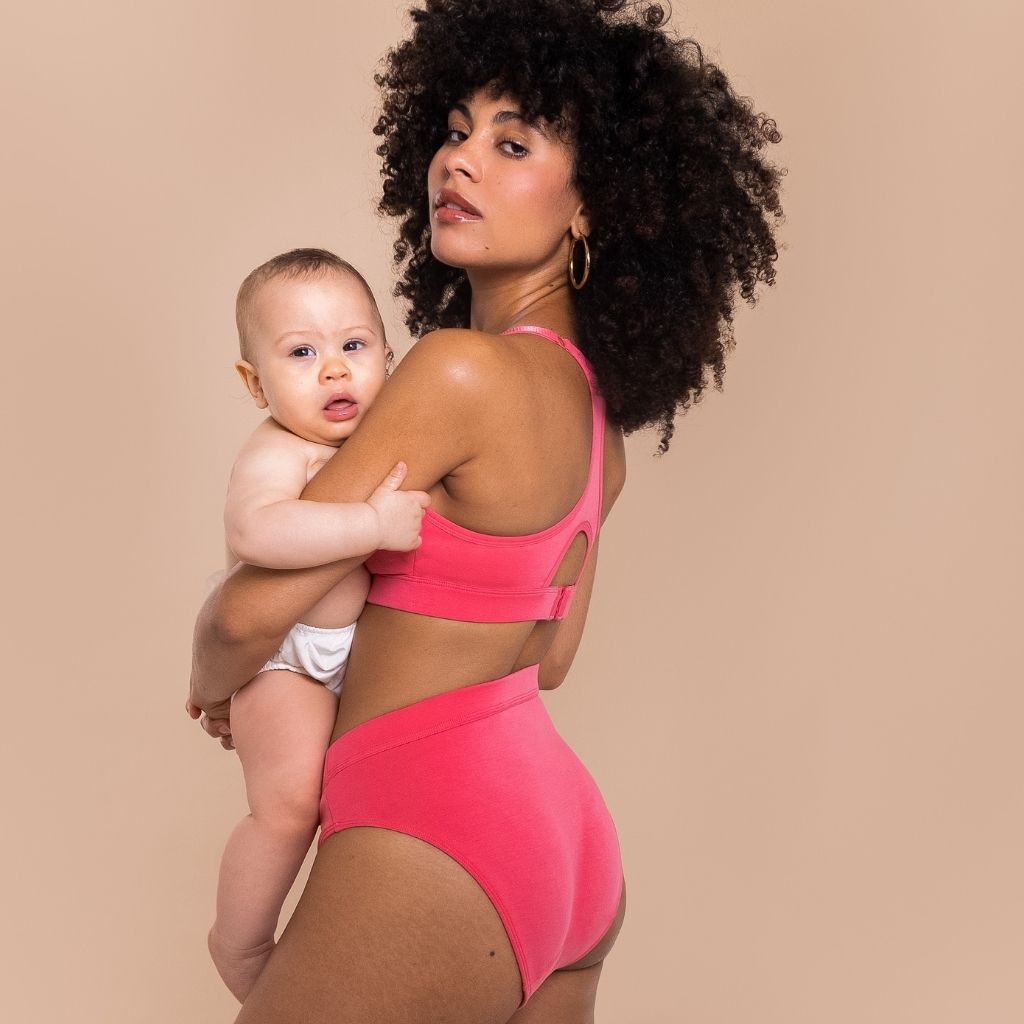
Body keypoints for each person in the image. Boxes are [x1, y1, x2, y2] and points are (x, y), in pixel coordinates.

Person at [188, 1, 785, 1019]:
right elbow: (548, 659)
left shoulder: (456, 371)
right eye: (454, 130)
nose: (458, 161)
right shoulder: (602, 433)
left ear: (593, 206)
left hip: (430, 819)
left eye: (511, 143)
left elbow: (251, 613)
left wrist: (209, 680)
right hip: (567, 844)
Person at [188, 249, 431, 1001]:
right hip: (286, 661)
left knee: (368, 813)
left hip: (359, 656)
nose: (334, 371)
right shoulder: (278, 448)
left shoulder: (389, 431)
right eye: (302, 353)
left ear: (389, 355)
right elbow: (260, 534)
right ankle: (240, 940)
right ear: (255, 383)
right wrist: (369, 524)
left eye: (354, 346)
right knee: (290, 805)